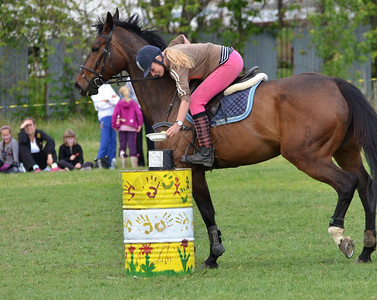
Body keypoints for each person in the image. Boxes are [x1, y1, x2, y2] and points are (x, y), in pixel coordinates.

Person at [136, 34, 244, 167]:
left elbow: (185, 98)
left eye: (152, 69)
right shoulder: (170, 50)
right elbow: (181, 37)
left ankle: (206, 152)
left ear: (158, 58)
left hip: (229, 63)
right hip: (230, 57)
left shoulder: (175, 65)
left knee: (196, 101)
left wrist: (177, 124)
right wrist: (192, 53)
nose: (153, 74)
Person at [111, 85, 143, 168]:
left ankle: (123, 165)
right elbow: (139, 114)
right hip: (132, 127)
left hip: (122, 127)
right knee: (132, 146)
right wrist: (140, 124)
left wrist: (114, 125)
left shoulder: (119, 103)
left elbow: (114, 115)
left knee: (122, 146)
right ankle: (134, 165)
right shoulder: (133, 103)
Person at [126, 81, 155, 166]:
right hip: (135, 109)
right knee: (137, 137)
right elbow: (127, 96)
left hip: (148, 108)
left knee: (151, 135)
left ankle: (152, 161)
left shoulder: (148, 76)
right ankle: (140, 162)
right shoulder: (129, 80)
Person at [91, 84, 119, 169]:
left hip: (113, 116)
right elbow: (98, 105)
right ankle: (100, 159)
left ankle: (112, 161)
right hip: (104, 117)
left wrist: (108, 101)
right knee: (105, 139)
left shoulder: (107, 86)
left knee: (113, 140)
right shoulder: (94, 89)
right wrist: (110, 101)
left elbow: (117, 100)